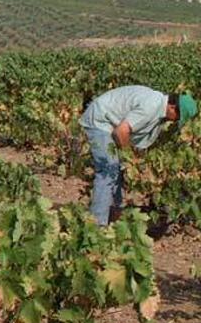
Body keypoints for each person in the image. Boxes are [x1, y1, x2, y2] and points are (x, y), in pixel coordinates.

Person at [80, 86, 197, 226]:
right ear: (172, 107)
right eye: (177, 117)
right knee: (108, 170)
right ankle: (97, 225)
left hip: (112, 123)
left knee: (119, 168)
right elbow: (121, 131)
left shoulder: (159, 108)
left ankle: (114, 215)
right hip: (100, 120)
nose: (174, 121)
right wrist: (129, 158)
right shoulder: (152, 106)